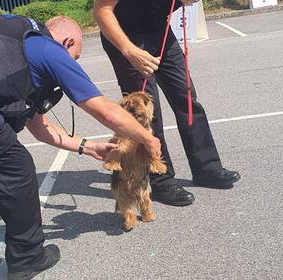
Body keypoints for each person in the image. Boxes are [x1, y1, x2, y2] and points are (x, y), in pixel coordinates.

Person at [0, 15, 161, 280]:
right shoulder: (46, 47)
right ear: (68, 42)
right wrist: (148, 138)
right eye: (75, 56)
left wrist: (86, 146)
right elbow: (105, 111)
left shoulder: (10, 49)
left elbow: (40, 128)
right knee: (17, 168)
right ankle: (28, 258)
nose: (72, 63)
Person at [93, 0, 241, 207]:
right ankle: (162, 181)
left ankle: (206, 168)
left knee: (186, 97)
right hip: (126, 37)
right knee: (148, 114)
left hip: (159, 31)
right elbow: (101, 11)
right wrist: (129, 51)